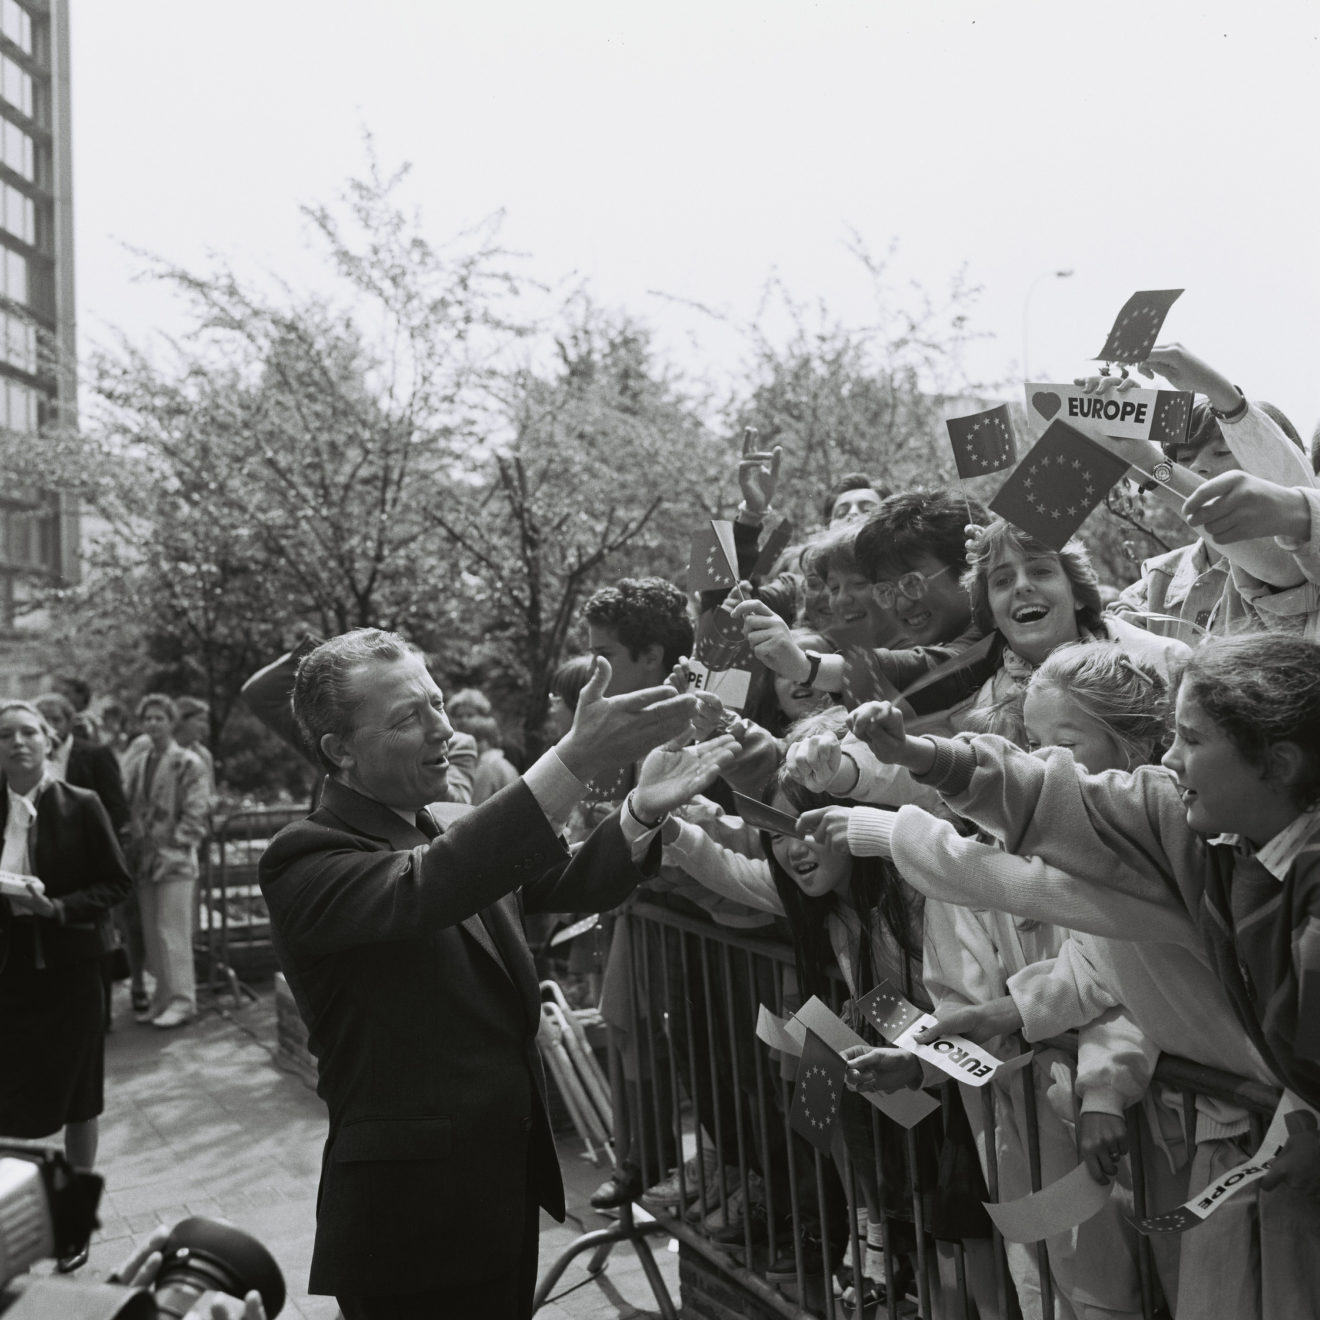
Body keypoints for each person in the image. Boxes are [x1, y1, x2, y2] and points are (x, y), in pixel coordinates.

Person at [258, 627, 733, 1319]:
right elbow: (432, 884)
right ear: (340, 751)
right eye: (408, 718)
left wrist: (640, 810)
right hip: (412, 1224)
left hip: (500, 1193)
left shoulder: (448, 819)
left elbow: (561, 879)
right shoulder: (305, 857)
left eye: (437, 702)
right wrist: (575, 757)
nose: (442, 729)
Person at [0, 700, 132, 1272]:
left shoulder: (81, 804)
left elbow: (116, 883)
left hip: (73, 969)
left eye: (29, 732)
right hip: (9, 974)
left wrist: (54, 907)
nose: (17, 742)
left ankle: (75, 1224)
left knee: (81, 1100)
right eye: (5, 735)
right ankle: (11, 1220)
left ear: (48, 741)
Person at [123, 694, 211, 1029]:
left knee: (173, 930)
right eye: (148, 718)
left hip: (175, 858)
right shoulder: (140, 761)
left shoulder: (188, 761)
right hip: (144, 856)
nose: (153, 724)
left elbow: (197, 807)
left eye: (159, 718)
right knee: (151, 932)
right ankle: (161, 997)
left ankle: (183, 1000)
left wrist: (179, 841)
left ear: (171, 722)